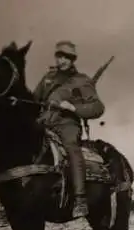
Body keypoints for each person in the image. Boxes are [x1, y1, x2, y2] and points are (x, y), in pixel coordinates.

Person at [33, 40, 105, 220]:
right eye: (59, 56)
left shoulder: (81, 81)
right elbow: (35, 100)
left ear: (73, 60)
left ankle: (80, 199)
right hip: (44, 122)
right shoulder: (48, 78)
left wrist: (74, 108)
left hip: (67, 124)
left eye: (66, 57)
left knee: (71, 147)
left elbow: (97, 107)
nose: (62, 60)